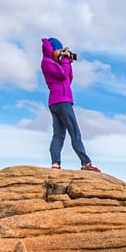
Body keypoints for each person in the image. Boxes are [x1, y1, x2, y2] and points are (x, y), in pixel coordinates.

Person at [41, 37, 100, 171]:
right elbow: (62, 75)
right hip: (61, 100)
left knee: (59, 134)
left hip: (57, 100)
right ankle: (85, 163)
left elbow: (68, 78)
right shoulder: (47, 62)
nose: (61, 53)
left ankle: (55, 164)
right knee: (74, 131)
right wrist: (65, 61)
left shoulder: (55, 63)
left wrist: (67, 62)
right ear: (53, 49)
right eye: (59, 50)